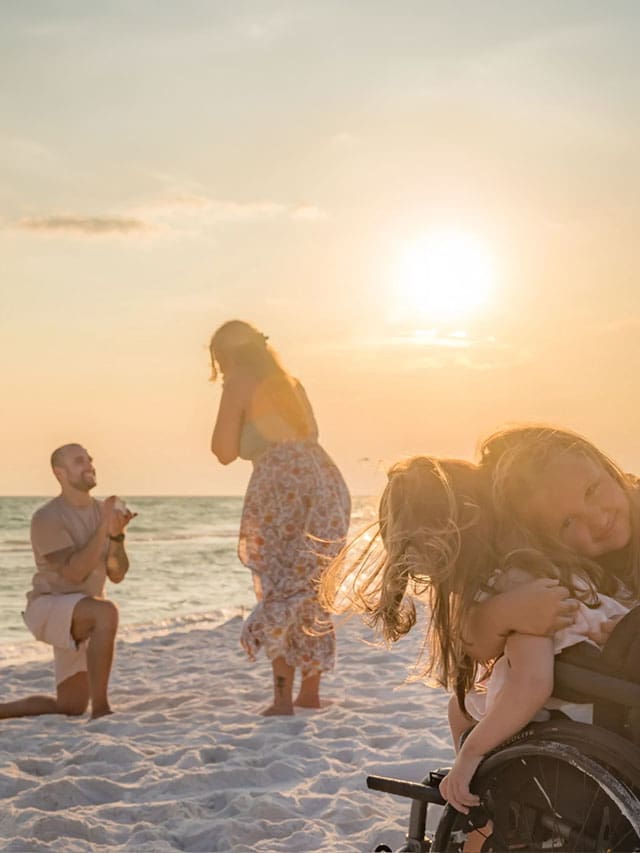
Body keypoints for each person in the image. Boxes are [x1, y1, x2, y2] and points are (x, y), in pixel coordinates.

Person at [320, 453, 636, 816]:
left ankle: (478, 803)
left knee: (463, 716)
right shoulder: (529, 570)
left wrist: (471, 755)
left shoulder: (523, 589)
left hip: (590, 711)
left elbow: (534, 684)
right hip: (606, 694)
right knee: (460, 707)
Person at [209, 320, 351, 716]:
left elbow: (221, 449)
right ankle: (311, 693)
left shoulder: (239, 381)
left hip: (279, 485)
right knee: (311, 585)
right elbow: (313, 433)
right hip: (323, 480)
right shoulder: (292, 383)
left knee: (278, 585)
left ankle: (282, 699)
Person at [0, 443, 134, 721]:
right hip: (49, 608)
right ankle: (101, 710)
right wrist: (103, 528)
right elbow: (74, 573)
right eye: (79, 461)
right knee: (106, 612)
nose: (89, 465)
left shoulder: (101, 512)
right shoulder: (46, 517)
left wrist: (117, 535)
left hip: (83, 613)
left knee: (70, 706)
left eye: (89, 459)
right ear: (59, 473)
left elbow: (117, 574)